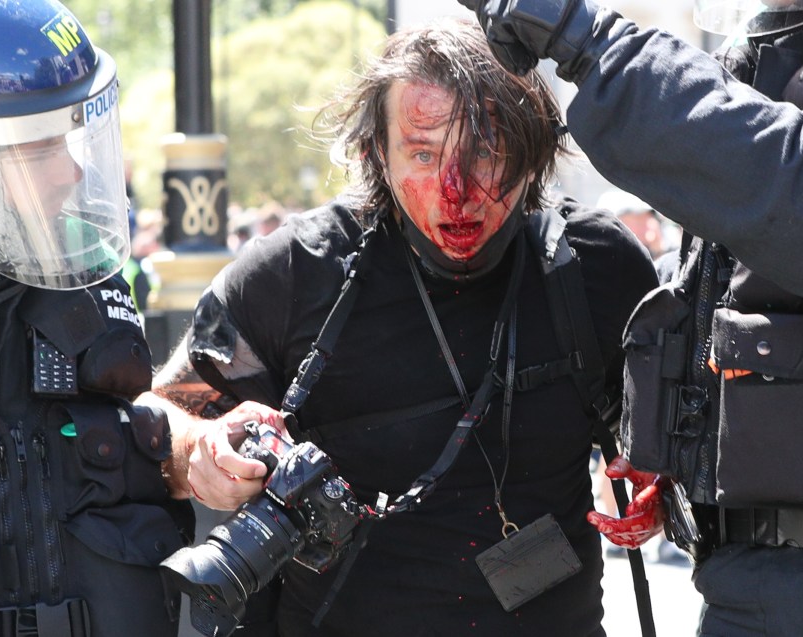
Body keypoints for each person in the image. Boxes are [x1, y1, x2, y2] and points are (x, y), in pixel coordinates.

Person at [143, 18, 656, 637]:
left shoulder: (597, 265)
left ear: (533, 150)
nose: (456, 190)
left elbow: (677, 441)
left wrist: (663, 476)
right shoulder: (294, 273)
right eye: (423, 152)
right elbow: (157, 415)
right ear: (376, 155)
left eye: (486, 151)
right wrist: (199, 448)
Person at [464, 0, 803, 634]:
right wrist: (693, 455)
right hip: (738, 578)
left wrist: (591, 40)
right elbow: (729, 294)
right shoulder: (773, 55)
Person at [0, 1, 193, 636]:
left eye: (69, 138)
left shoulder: (82, 283)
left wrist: (195, 448)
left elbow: (133, 421)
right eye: (39, 150)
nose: (74, 171)